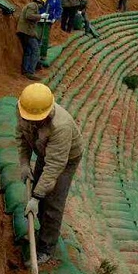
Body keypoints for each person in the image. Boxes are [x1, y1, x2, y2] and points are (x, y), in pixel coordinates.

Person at [16, 83, 83, 264]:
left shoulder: (61, 126)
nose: (31, 121)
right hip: (44, 151)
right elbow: (21, 137)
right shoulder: (24, 109)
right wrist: (24, 163)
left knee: (52, 203)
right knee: (40, 186)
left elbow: (55, 165)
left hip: (65, 159)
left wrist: (36, 197)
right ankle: (39, 230)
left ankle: (46, 247)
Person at [17, 0, 48, 80]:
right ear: (41, 2)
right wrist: (41, 16)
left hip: (24, 32)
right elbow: (28, 16)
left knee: (28, 51)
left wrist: (40, 18)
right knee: (36, 51)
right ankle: (30, 71)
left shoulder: (32, 5)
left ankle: (25, 70)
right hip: (26, 32)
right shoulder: (33, 6)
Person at [38, 0, 63, 69]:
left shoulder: (56, 0)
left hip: (48, 22)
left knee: (45, 38)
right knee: (37, 37)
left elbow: (59, 10)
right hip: (38, 21)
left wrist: (54, 18)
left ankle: (43, 55)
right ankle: (36, 55)